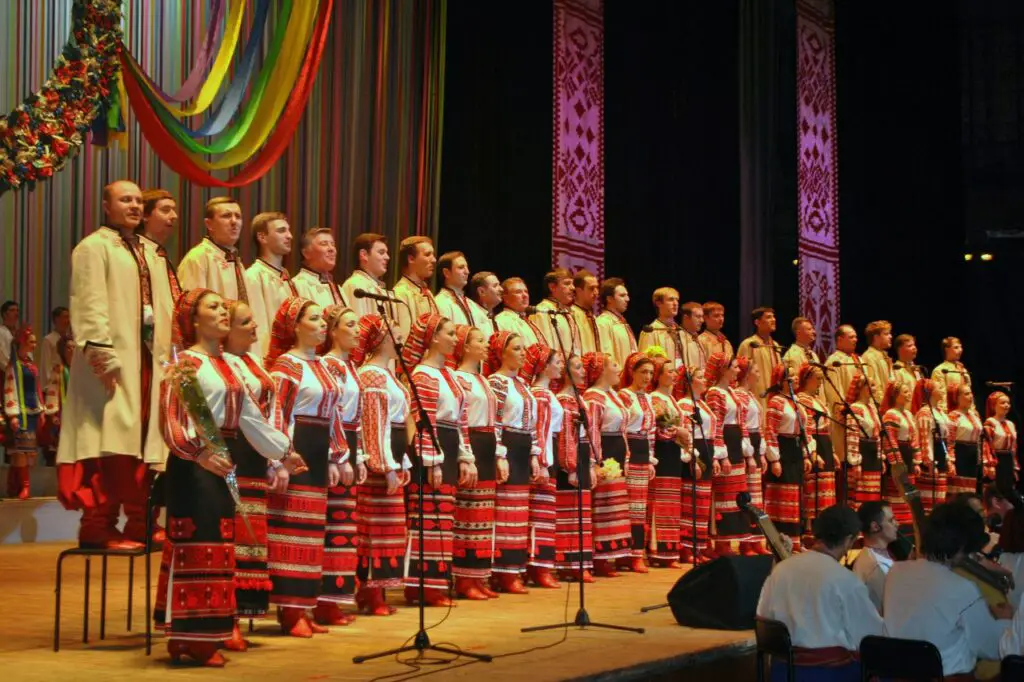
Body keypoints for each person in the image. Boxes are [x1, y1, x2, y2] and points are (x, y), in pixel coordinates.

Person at [155, 289, 291, 666]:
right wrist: (198, 452)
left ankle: (196, 635)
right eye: (212, 307)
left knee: (220, 547)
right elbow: (171, 421)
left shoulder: (229, 366)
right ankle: (193, 637)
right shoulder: (186, 364)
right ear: (194, 321)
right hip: (193, 465)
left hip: (221, 457)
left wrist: (282, 450)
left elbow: (248, 416)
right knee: (200, 546)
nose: (221, 312)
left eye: (222, 307)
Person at [57, 181, 166, 549]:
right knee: (109, 441)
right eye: (125, 200)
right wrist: (103, 356)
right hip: (112, 363)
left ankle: (139, 521)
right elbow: (88, 303)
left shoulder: (149, 251)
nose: (134, 206)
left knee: (142, 441)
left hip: (147, 359)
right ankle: (97, 525)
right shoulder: (93, 247)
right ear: (106, 206)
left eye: (138, 200)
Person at [265, 297, 349, 637]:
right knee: (292, 532)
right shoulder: (286, 366)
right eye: (313, 319)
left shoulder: (325, 367)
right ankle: (289, 609)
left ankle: (305, 605)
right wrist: (279, 459)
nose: (321, 325)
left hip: (317, 452)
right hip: (296, 448)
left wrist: (335, 456)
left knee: (314, 533)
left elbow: (334, 416)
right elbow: (276, 414)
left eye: (322, 320)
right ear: (295, 325)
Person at [756, 504, 885, 682]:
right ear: (849, 540)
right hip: (830, 674)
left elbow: (763, 619)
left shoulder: (780, 571)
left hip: (782, 673)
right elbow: (871, 637)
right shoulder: (845, 580)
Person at [884, 502, 1010, 679]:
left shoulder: (895, 573)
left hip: (899, 675)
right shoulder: (961, 587)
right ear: (961, 547)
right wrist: (1006, 622)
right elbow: (990, 647)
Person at [221, 299, 284, 644]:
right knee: (232, 535)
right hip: (233, 455)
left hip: (256, 457)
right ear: (227, 329)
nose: (254, 328)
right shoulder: (223, 365)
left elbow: (268, 415)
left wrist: (274, 459)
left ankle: (240, 612)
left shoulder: (254, 363)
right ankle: (224, 615)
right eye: (245, 322)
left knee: (249, 537)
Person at [402, 313, 473, 607]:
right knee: (428, 518)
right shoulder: (423, 374)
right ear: (432, 338)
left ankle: (437, 582)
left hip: (448, 442)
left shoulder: (451, 376)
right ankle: (422, 586)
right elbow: (422, 419)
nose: (455, 340)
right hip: (431, 449)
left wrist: (466, 456)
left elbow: (461, 419)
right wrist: (431, 460)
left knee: (444, 518)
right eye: (449, 334)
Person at [354, 315, 411, 616]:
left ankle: (377, 591)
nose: (400, 337)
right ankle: (370, 591)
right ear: (381, 338)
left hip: (392, 459)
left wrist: (402, 462)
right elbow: (373, 424)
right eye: (395, 331)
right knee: (375, 530)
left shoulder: (387, 375)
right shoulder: (372, 376)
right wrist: (385, 465)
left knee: (389, 530)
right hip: (380, 466)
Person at [318, 305, 367, 624]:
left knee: (344, 526)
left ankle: (334, 598)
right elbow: (333, 411)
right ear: (333, 331)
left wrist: (359, 454)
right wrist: (338, 455)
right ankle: (323, 601)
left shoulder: (350, 366)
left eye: (359, 325)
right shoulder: (330, 365)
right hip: (333, 445)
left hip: (348, 443)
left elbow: (357, 416)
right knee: (331, 526)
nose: (357, 330)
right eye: (350, 325)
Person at [450, 325, 501, 599]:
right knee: (468, 513)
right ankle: (464, 578)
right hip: (471, 441)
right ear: (465, 347)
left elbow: (495, 419)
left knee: (483, 514)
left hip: (487, 443)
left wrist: (499, 452)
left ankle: (479, 576)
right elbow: (461, 419)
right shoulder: (459, 378)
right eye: (480, 341)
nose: (486, 345)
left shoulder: (483, 379)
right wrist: (463, 454)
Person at [486, 331, 538, 593]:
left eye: (523, 349)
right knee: (505, 512)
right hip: (507, 443)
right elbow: (494, 419)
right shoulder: (496, 382)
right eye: (517, 348)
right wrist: (499, 454)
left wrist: (534, 454)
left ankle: (514, 569)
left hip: (522, 445)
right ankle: (502, 571)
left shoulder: (524, 385)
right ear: (502, 352)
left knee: (519, 513)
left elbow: (532, 422)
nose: (522, 353)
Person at [138, 190, 182, 480]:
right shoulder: (139, 254)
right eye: (165, 210)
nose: (174, 217)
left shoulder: (161, 256)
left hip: (168, 356)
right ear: (145, 215)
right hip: (147, 355)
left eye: (174, 210)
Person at [582, 351, 633, 576]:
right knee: (602, 505)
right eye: (613, 364)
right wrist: (595, 461)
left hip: (618, 450)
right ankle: (598, 557)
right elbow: (592, 430)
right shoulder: (594, 397)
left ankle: (609, 555)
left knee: (614, 505)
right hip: (605, 450)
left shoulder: (612, 395)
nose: (618, 369)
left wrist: (627, 456)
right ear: (601, 370)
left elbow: (623, 429)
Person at [705, 352, 754, 557]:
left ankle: (733, 540)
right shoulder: (715, 393)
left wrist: (748, 453)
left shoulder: (732, 393)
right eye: (733, 367)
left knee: (736, 495)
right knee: (724, 495)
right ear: (723, 370)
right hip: (725, 441)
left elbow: (742, 424)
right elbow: (716, 425)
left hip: (735, 445)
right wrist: (721, 454)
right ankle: (721, 544)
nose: (737, 370)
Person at [524, 343, 564, 588]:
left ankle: (541, 565)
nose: (560, 366)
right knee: (539, 515)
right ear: (544, 366)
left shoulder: (547, 393)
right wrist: (541, 462)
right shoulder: (539, 394)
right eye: (556, 362)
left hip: (551, 454)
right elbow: (539, 431)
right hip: (544, 457)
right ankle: (537, 567)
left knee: (546, 514)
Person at [553, 353, 596, 581]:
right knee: (568, 509)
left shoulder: (581, 401)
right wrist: (569, 466)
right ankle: (567, 563)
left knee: (581, 510)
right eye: (578, 368)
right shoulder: (561, 400)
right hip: (568, 457)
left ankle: (581, 562)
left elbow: (587, 434)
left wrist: (589, 463)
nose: (583, 372)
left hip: (580, 454)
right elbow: (564, 435)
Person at [763, 364, 813, 552]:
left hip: (795, 449)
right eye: (790, 376)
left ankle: (796, 540)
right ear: (781, 380)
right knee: (781, 497)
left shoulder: (797, 401)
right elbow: (770, 431)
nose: (795, 379)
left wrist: (807, 454)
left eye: (795, 376)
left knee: (795, 496)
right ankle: (779, 541)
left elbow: (804, 429)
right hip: (782, 448)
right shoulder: (776, 401)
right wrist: (774, 459)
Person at [647, 357, 691, 567]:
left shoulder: (672, 399)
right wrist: (679, 432)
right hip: (663, 451)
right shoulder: (654, 398)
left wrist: (683, 434)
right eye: (669, 371)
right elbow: (660, 429)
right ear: (659, 375)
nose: (673, 375)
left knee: (673, 501)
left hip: (674, 452)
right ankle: (659, 549)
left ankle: (671, 549)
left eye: (674, 371)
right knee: (662, 500)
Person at [617, 352, 658, 572]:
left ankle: (637, 553)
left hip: (643, 452)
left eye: (651, 373)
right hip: (630, 450)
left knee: (640, 507)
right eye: (643, 372)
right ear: (632, 372)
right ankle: (628, 554)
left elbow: (651, 430)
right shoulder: (624, 395)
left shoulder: (648, 398)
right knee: (629, 505)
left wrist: (651, 459)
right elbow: (622, 427)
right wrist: (626, 457)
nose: (647, 377)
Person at [245, 212, 297, 356]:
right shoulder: (254, 276)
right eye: (281, 231)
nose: (289, 236)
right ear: (262, 237)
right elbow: (258, 327)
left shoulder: (286, 277)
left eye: (288, 230)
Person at [177, 197, 248, 302]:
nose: (234, 221)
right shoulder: (197, 257)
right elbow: (191, 308)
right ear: (209, 224)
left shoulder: (236, 260)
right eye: (226, 216)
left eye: (238, 216)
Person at [677, 366, 714, 563]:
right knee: (691, 501)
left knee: (702, 502)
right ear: (690, 382)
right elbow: (685, 433)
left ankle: (698, 545)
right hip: (695, 450)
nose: (705, 379)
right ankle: (686, 547)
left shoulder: (702, 403)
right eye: (700, 376)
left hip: (706, 449)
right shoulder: (684, 404)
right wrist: (693, 458)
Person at [735, 356, 770, 554]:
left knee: (756, 495)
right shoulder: (739, 395)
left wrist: (762, 453)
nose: (758, 374)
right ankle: (745, 541)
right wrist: (749, 454)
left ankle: (757, 539)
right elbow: (743, 426)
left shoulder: (751, 396)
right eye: (756, 371)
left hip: (755, 443)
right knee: (747, 495)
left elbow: (759, 425)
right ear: (747, 374)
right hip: (746, 444)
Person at [4, 327, 43, 499]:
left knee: (28, 452)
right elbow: (9, 389)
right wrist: (12, 414)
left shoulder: (31, 366)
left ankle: (14, 485)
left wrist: (41, 409)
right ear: (22, 343)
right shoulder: (13, 366)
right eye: (31, 342)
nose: (34, 345)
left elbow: (37, 389)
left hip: (32, 412)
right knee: (19, 451)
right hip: (19, 412)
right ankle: (24, 487)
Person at [797, 365, 837, 528]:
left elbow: (826, 426)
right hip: (813, 441)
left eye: (822, 378)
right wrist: (813, 452)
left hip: (824, 442)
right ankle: (809, 524)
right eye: (818, 378)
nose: (820, 382)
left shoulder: (817, 400)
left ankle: (824, 520)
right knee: (813, 484)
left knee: (826, 483)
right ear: (807, 379)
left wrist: (832, 452)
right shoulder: (803, 398)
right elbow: (808, 426)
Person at [881, 379, 921, 536]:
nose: (909, 394)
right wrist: (897, 462)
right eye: (905, 392)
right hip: (898, 455)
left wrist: (916, 460)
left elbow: (915, 438)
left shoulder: (909, 414)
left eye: (909, 391)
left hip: (908, 453)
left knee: (908, 491)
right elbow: (890, 439)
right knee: (897, 492)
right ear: (895, 395)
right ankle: (897, 528)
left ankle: (908, 527)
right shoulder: (891, 414)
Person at [824, 325, 862, 488]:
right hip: (845, 418)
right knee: (844, 458)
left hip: (860, 417)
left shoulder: (858, 360)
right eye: (851, 336)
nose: (855, 340)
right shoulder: (834, 361)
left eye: (855, 336)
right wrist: (843, 412)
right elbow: (833, 392)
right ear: (840, 339)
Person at [851, 501, 898, 612]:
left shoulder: (874, 557)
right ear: (875, 527)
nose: (897, 524)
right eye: (891, 520)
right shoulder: (875, 566)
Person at [845, 373, 883, 509]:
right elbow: (852, 435)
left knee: (872, 496)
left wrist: (880, 458)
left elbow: (878, 435)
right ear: (862, 388)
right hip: (863, 454)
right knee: (860, 496)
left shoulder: (872, 408)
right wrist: (855, 462)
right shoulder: (855, 408)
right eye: (871, 385)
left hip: (873, 456)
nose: (874, 388)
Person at [914, 378, 951, 514]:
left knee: (940, 498)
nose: (942, 390)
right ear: (930, 392)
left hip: (940, 456)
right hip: (931, 459)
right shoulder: (925, 412)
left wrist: (947, 458)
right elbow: (925, 438)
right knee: (929, 499)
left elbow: (946, 438)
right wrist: (929, 461)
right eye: (939, 388)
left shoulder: (940, 412)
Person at [393, 236, 439, 340]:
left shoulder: (427, 292)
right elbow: (405, 337)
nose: (434, 260)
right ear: (411, 259)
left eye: (433, 255)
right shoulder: (401, 293)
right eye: (427, 254)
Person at [737, 307, 781, 410]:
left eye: (773, 317)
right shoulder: (749, 344)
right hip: (757, 395)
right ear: (757, 322)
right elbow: (741, 374)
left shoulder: (775, 345)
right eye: (768, 317)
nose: (773, 319)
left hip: (775, 396)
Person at [529, 269, 581, 356]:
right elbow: (545, 350)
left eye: (572, 284)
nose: (573, 288)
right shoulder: (542, 312)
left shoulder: (566, 313)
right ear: (552, 287)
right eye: (567, 283)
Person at [292, 227, 347, 309]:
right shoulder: (299, 285)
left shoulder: (337, 287)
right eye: (324, 244)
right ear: (306, 253)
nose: (331, 249)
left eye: (333, 244)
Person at [340, 233, 391, 320]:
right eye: (381, 252)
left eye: (386, 253)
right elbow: (359, 327)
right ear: (364, 255)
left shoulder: (376, 286)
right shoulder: (355, 285)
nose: (387, 257)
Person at [947, 383, 985, 497]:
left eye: (971, 393)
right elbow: (949, 441)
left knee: (971, 493)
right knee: (960, 494)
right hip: (960, 456)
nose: (971, 396)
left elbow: (980, 440)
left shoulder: (975, 415)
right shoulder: (953, 416)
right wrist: (950, 462)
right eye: (966, 393)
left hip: (973, 458)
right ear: (957, 397)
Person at [42, 335, 74, 467]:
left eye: (74, 347)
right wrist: (53, 414)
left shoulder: (80, 370)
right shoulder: (58, 370)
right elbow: (52, 391)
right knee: (60, 448)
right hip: (62, 412)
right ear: (62, 350)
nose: (71, 350)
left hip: (77, 413)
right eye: (68, 347)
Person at [595, 278, 637, 369]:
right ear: (609, 299)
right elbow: (606, 357)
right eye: (622, 295)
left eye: (627, 295)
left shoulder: (622, 322)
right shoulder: (603, 322)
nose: (627, 299)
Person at [983, 391, 1018, 498]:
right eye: (1002, 403)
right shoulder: (990, 422)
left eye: (1008, 403)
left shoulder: (1010, 424)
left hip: (1008, 460)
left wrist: (1014, 467)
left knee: (1008, 490)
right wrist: (990, 465)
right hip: (997, 459)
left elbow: (1013, 447)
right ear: (994, 405)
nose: (1006, 405)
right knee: (997, 491)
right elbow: (987, 445)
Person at [638, 287, 683, 367]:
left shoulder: (681, 331)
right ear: (658, 303)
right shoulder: (651, 331)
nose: (675, 303)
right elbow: (645, 363)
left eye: (677, 300)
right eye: (671, 299)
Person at [782, 317, 823, 404]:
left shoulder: (814, 355)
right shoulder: (791, 355)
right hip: (803, 402)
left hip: (818, 401)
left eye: (812, 329)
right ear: (798, 332)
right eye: (809, 329)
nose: (814, 332)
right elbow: (795, 385)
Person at [494, 277, 543, 346]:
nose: (525, 295)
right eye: (518, 292)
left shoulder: (526, 320)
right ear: (505, 297)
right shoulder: (502, 321)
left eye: (526, 291)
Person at [932, 337, 972, 415]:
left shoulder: (963, 370)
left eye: (961, 347)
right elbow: (941, 395)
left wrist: (972, 410)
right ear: (947, 349)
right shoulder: (940, 370)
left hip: (966, 413)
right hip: (950, 413)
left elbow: (969, 393)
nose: (960, 350)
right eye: (956, 347)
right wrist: (945, 414)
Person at [434, 251, 476, 326]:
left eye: (467, 267)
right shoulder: (441, 303)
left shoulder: (470, 303)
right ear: (447, 273)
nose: (467, 272)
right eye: (461, 267)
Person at [37, 306, 71, 389]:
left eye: (69, 317)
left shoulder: (71, 339)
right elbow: (46, 365)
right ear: (57, 319)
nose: (68, 321)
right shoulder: (49, 339)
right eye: (65, 317)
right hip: (55, 384)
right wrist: (48, 387)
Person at [861, 321, 893, 406]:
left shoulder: (884, 356)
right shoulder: (869, 357)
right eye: (886, 334)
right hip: (880, 407)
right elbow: (875, 387)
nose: (890, 336)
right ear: (876, 337)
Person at [570, 270, 601, 354]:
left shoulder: (593, 317)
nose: (596, 292)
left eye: (597, 288)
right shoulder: (571, 315)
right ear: (579, 291)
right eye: (591, 288)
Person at [468, 271, 502, 340]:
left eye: (499, 285)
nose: (501, 289)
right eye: (495, 286)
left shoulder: (493, 318)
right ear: (481, 292)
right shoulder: (473, 316)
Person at [0, 300, 19, 370]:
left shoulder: (18, 333)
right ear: (4, 314)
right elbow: (2, 357)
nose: (16, 313)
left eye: (17, 310)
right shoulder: (1, 332)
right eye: (12, 310)